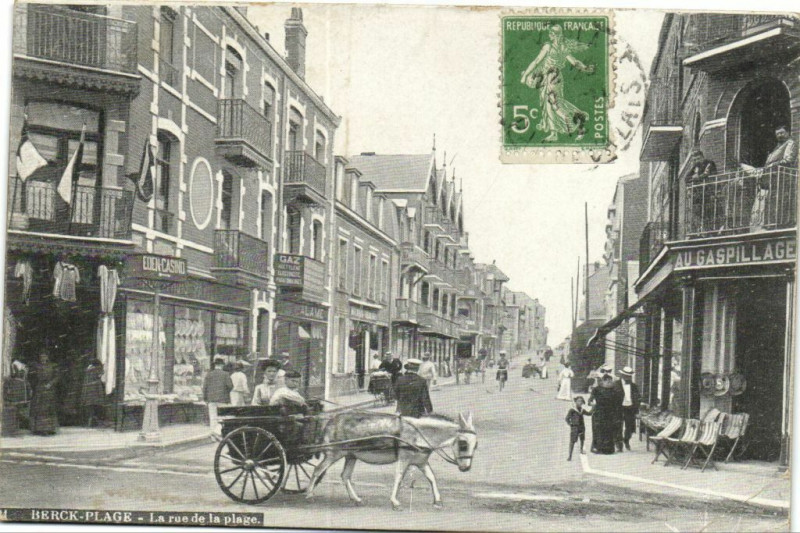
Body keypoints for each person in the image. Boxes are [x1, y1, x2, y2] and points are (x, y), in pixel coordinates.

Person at [520, 25, 595, 142]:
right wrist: (585, 68)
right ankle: (558, 129)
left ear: (554, 35)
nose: (549, 36)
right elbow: (574, 62)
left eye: (551, 34)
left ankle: (574, 118)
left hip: (550, 77)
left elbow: (536, 61)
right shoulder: (563, 47)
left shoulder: (548, 46)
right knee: (553, 103)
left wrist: (525, 75)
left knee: (552, 103)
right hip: (557, 78)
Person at [588, 373, 621, 454]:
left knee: (609, 431)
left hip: (610, 413)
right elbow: (590, 401)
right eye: (608, 381)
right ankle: (597, 448)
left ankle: (608, 449)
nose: (610, 383)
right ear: (603, 381)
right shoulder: (596, 389)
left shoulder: (614, 390)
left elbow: (617, 402)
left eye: (611, 381)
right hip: (599, 413)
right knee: (598, 431)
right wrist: (592, 404)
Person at [30, 349, 59, 435]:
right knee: (39, 409)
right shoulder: (36, 367)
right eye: (41, 356)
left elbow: (57, 377)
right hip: (39, 388)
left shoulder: (52, 366)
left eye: (44, 356)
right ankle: (39, 429)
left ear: (47, 357)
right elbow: (32, 377)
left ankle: (50, 429)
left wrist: (50, 383)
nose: (43, 358)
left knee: (49, 408)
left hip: (49, 389)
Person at [613, 366, 640, 451]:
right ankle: (619, 444)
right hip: (619, 408)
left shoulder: (634, 386)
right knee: (618, 426)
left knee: (630, 426)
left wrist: (637, 409)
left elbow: (638, 398)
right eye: (626, 376)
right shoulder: (616, 384)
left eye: (630, 376)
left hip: (630, 408)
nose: (628, 378)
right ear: (622, 376)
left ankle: (626, 440)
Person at [203, 358, 233, 434]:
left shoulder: (209, 374)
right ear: (222, 365)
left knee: (213, 418)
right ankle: (221, 433)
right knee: (222, 418)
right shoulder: (225, 374)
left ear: (215, 365)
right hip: (223, 399)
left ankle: (213, 434)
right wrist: (226, 392)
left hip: (211, 400)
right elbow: (230, 386)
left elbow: (204, 387)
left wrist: (205, 398)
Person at [566, 396, 592, 461]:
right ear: (575, 402)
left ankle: (581, 450)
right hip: (574, 427)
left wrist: (594, 407)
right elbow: (567, 418)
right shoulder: (572, 410)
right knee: (572, 442)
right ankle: (570, 455)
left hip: (581, 427)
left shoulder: (582, 410)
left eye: (581, 401)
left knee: (582, 439)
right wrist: (570, 424)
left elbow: (589, 413)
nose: (580, 402)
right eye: (578, 401)